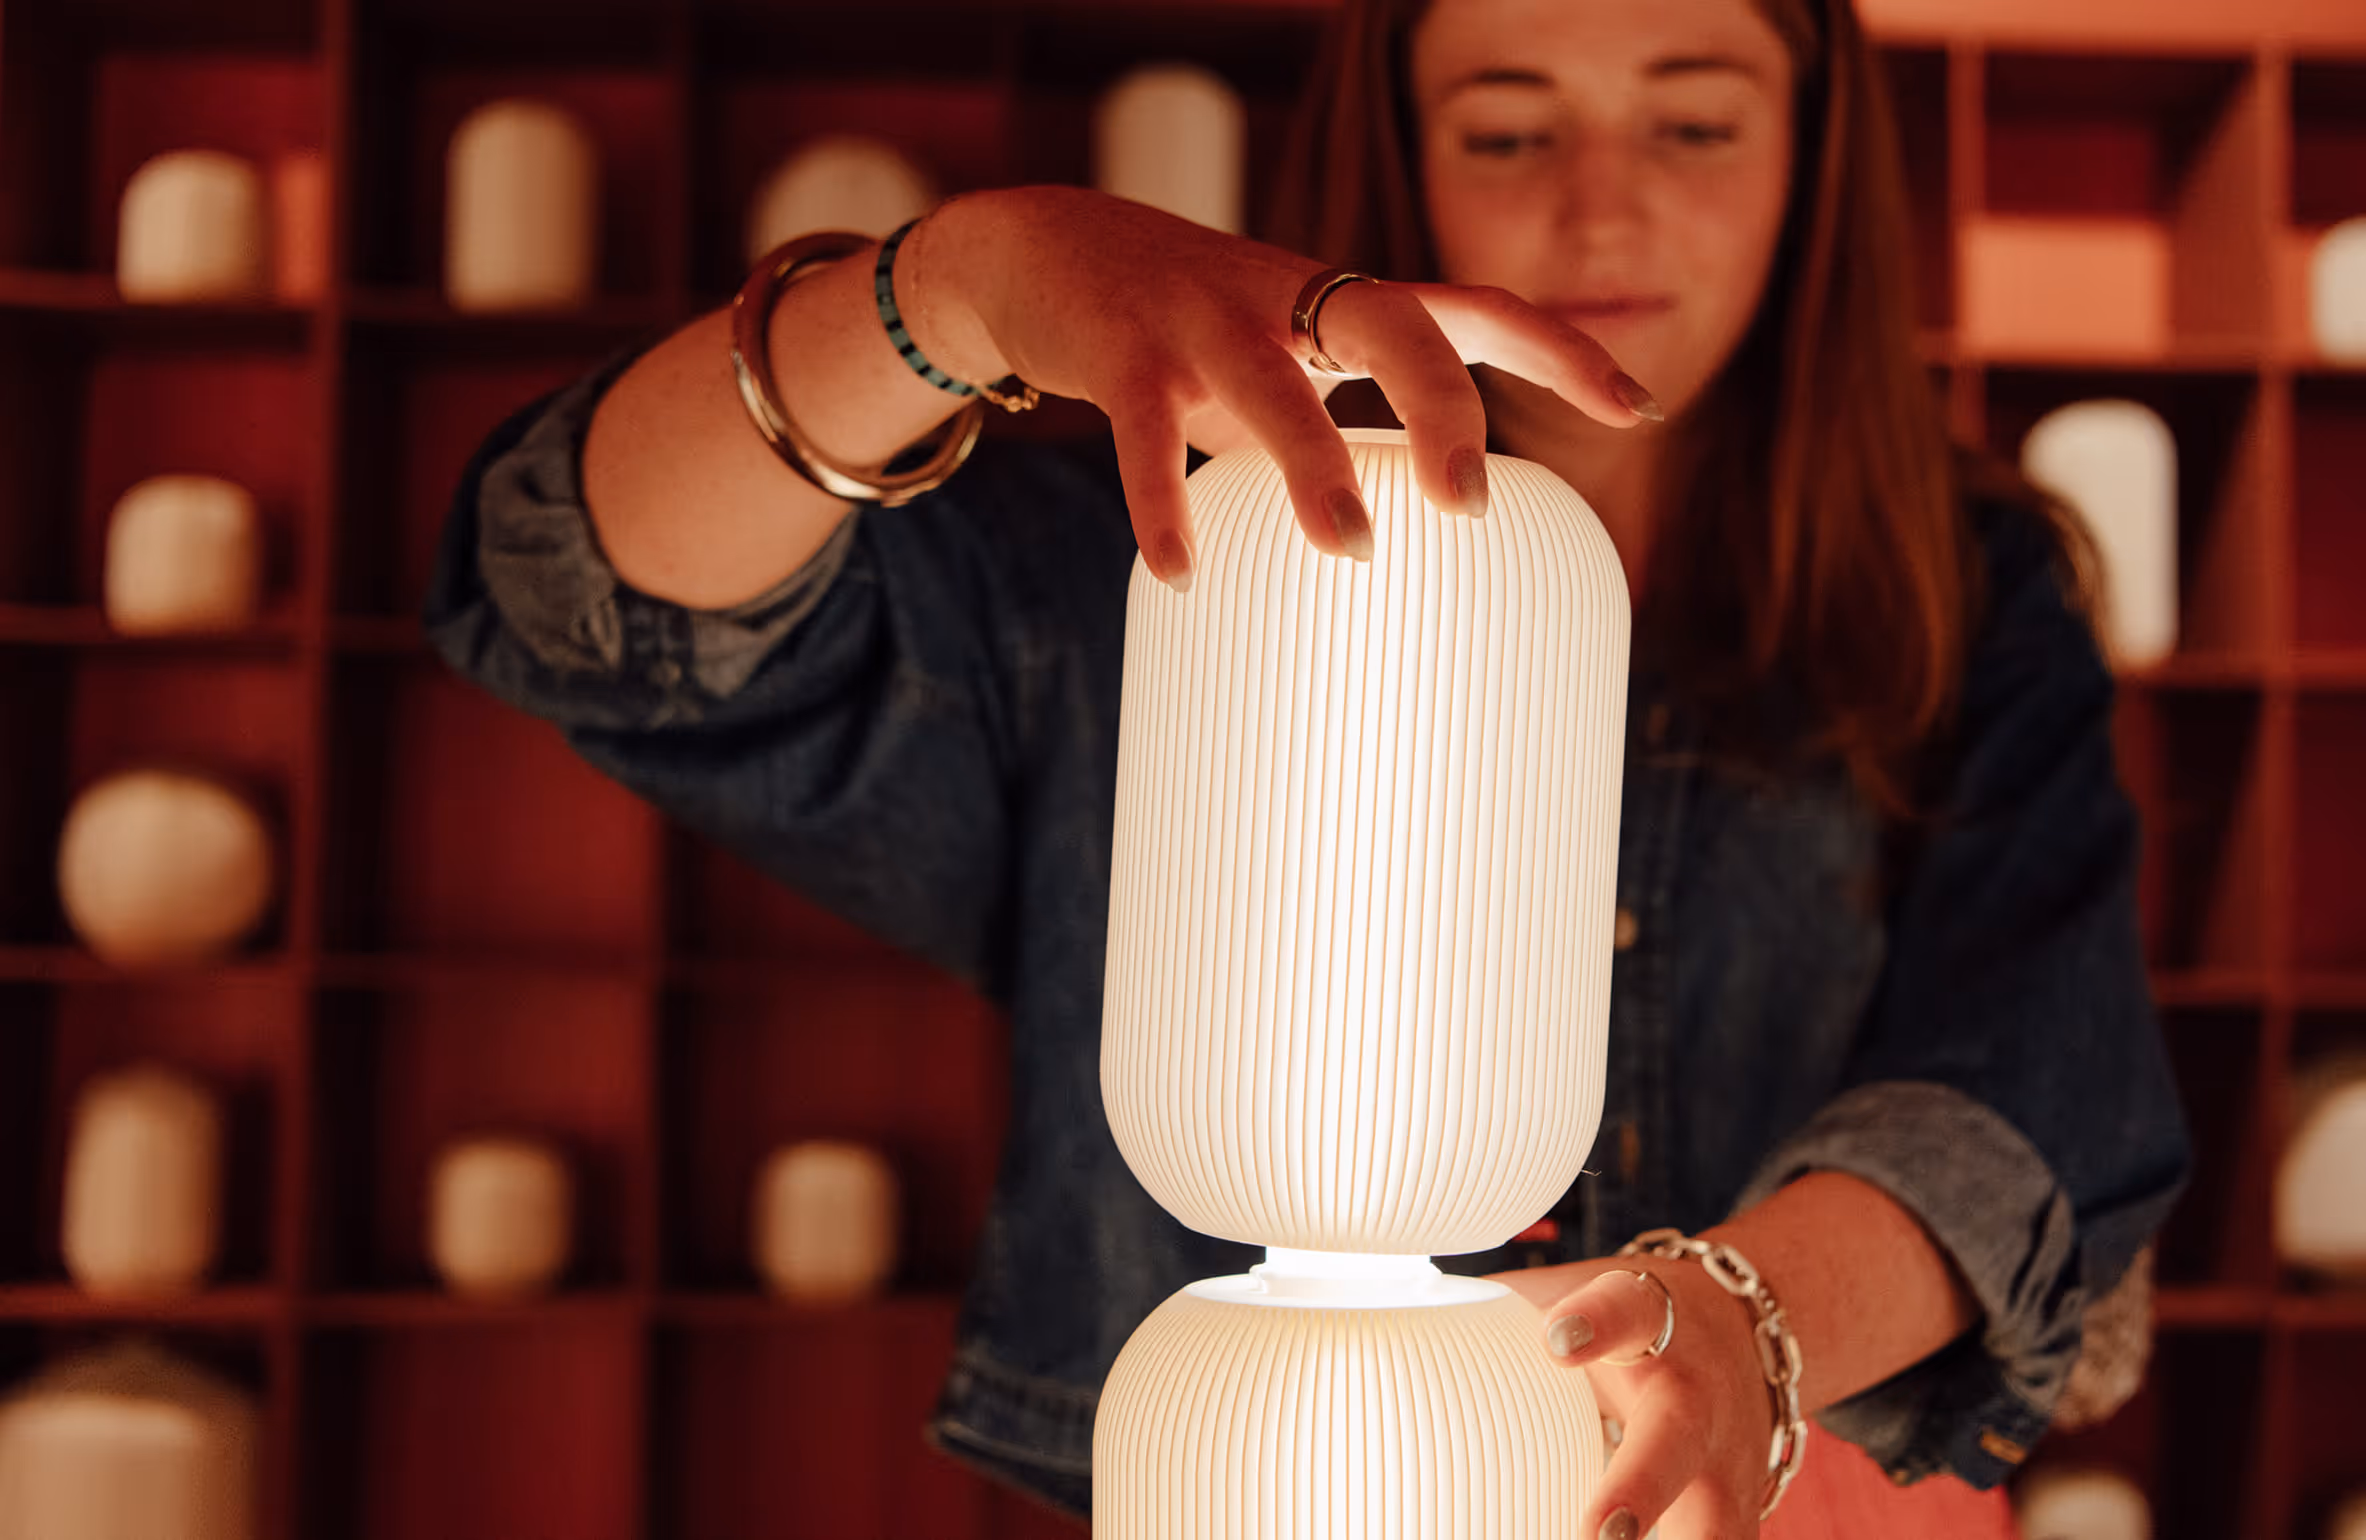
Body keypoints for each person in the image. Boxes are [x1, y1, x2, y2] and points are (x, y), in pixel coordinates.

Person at [426, 0, 2190, 1532]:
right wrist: (953, 287)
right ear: (1402, 146)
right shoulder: (1153, 550)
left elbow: (2046, 1085)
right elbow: (576, 599)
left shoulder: (1969, 592)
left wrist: (1742, 1321)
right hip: (1263, 1487)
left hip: (1809, 1505)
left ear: (1813, 155)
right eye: (1509, 125)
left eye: (1697, 117)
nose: (1602, 198)